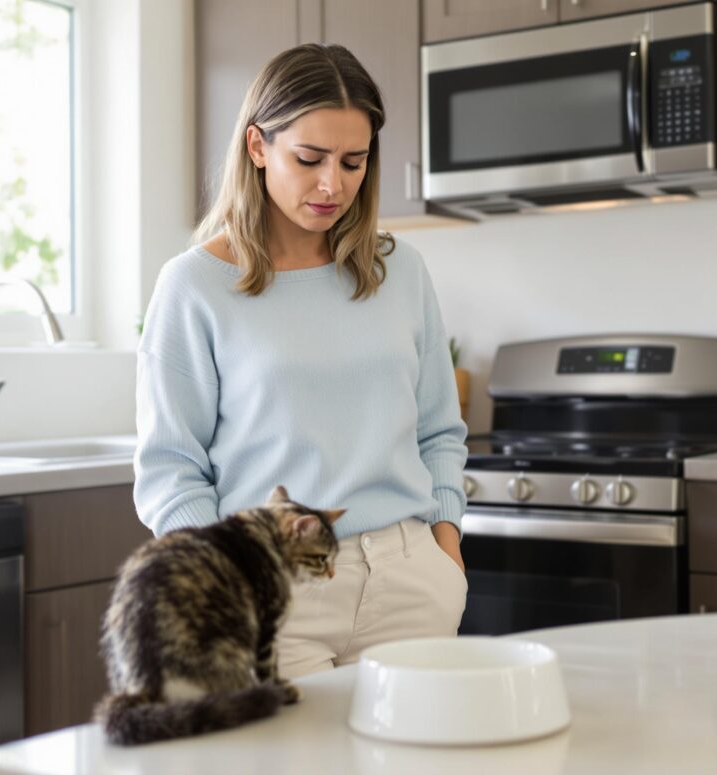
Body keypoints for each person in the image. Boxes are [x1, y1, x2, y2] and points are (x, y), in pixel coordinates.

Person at [134, 43, 468, 679]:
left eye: (353, 162)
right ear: (258, 146)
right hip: (272, 591)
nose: (332, 184)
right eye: (309, 158)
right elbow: (170, 469)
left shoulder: (399, 271)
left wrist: (445, 547)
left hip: (410, 582)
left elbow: (439, 431)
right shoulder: (194, 286)